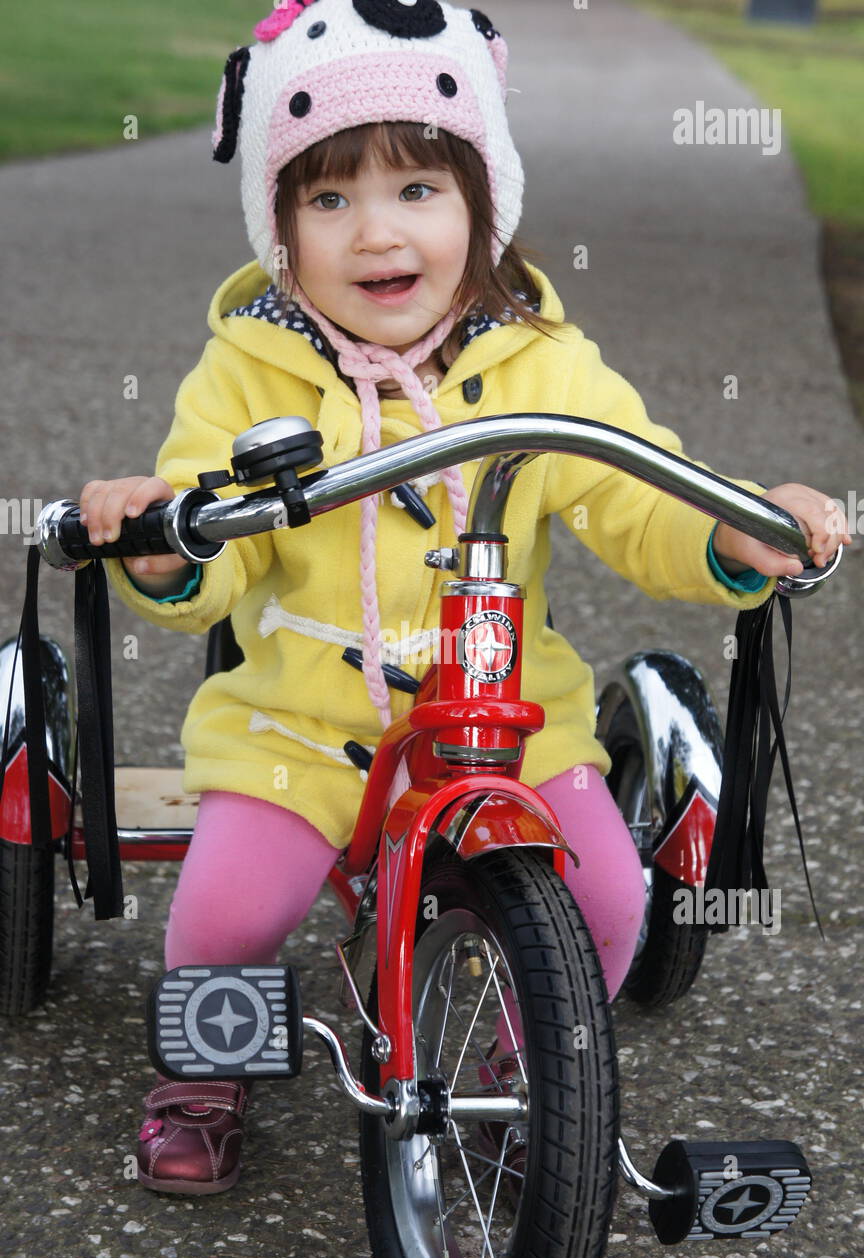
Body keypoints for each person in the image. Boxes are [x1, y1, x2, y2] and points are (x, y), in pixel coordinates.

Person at [79, 0, 850, 1195]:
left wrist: (737, 524)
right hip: (302, 726)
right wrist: (169, 546)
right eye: (326, 199)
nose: (375, 233)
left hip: (506, 719)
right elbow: (210, 537)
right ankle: (203, 1076)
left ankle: (513, 1057)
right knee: (228, 910)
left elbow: (631, 490)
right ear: (278, 231)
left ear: (486, 205)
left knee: (605, 893)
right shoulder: (250, 366)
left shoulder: (538, 361)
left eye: (419, 191)